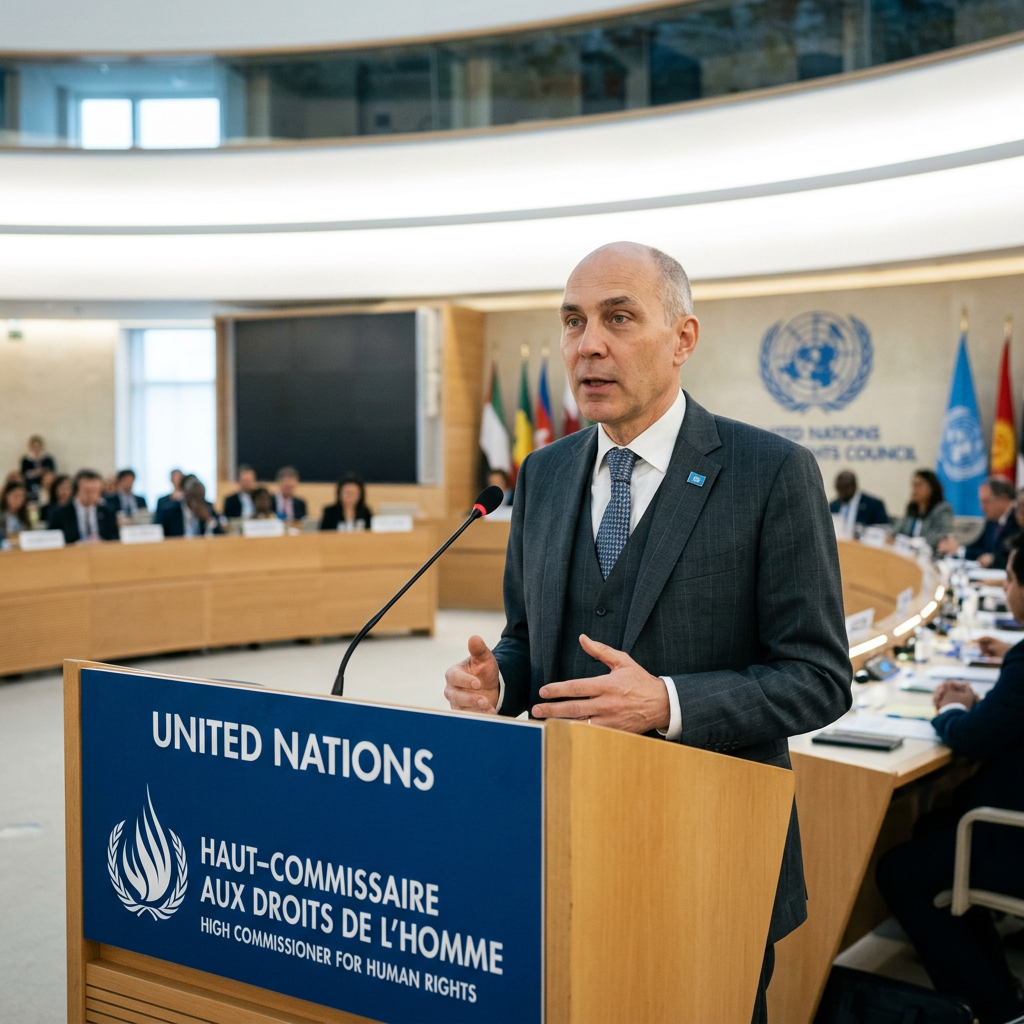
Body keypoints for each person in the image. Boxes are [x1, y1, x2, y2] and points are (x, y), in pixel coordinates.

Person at [443, 241, 852, 1021]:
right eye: (573, 321)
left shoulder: (770, 473)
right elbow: (529, 636)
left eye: (618, 318)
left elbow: (820, 677)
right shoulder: (544, 472)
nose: (587, 344)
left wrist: (664, 703)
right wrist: (499, 679)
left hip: (708, 853)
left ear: (683, 339)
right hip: (558, 839)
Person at [877, 539, 1024, 1024]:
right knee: (930, 828)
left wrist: (953, 709)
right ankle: (992, 977)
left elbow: (970, 740)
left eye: (1008, 580)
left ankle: (992, 1007)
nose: (1005, 589)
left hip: (1011, 834)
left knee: (898, 870)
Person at [938, 476, 1020, 568]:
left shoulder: (1018, 521)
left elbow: (1015, 559)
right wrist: (959, 550)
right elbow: (980, 548)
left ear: (1003, 499)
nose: (982, 507)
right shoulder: (992, 521)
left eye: (986, 501)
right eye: (981, 502)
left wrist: (994, 560)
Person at [892, 469, 956, 553]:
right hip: (907, 554)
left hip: (930, 556)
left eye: (918, 485)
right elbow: (897, 531)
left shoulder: (943, 509)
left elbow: (942, 535)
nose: (914, 489)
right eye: (913, 485)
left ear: (931, 488)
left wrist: (913, 543)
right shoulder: (911, 509)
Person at [50, 470, 120, 543]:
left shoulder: (107, 512)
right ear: (76, 490)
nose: (92, 495)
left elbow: (115, 537)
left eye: (96, 491)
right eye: (87, 491)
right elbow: (53, 540)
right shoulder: (60, 513)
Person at [158, 479, 223, 537]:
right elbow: (157, 534)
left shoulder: (208, 510)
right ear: (185, 496)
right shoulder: (170, 512)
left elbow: (221, 537)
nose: (196, 502)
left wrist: (209, 520)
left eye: (200, 498)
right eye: (193, 497)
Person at [20, 435, 55, 501]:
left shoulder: (48, 459)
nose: (36, 448)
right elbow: (23, 474)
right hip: (30, 485)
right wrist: (37, 472)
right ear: (31, 447)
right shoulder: (26, 460)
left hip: (45, 486)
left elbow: (51, 472)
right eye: (34, 446)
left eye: (38, 446)